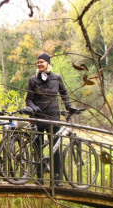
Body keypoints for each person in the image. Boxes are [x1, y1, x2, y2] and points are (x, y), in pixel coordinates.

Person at [25, 53, 77, 186]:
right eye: (37, 62)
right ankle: (39, 177)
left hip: (53, 117)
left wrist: (69, 106)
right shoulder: (33, 80)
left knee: (55, 149)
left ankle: (57, 179)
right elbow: (29, 99)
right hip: (38, 118)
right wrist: (33, 107)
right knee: (37, 148)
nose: (39, 64)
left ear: (48, 63)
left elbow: (64, 93)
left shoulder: (56, 79)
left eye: (42, 62)